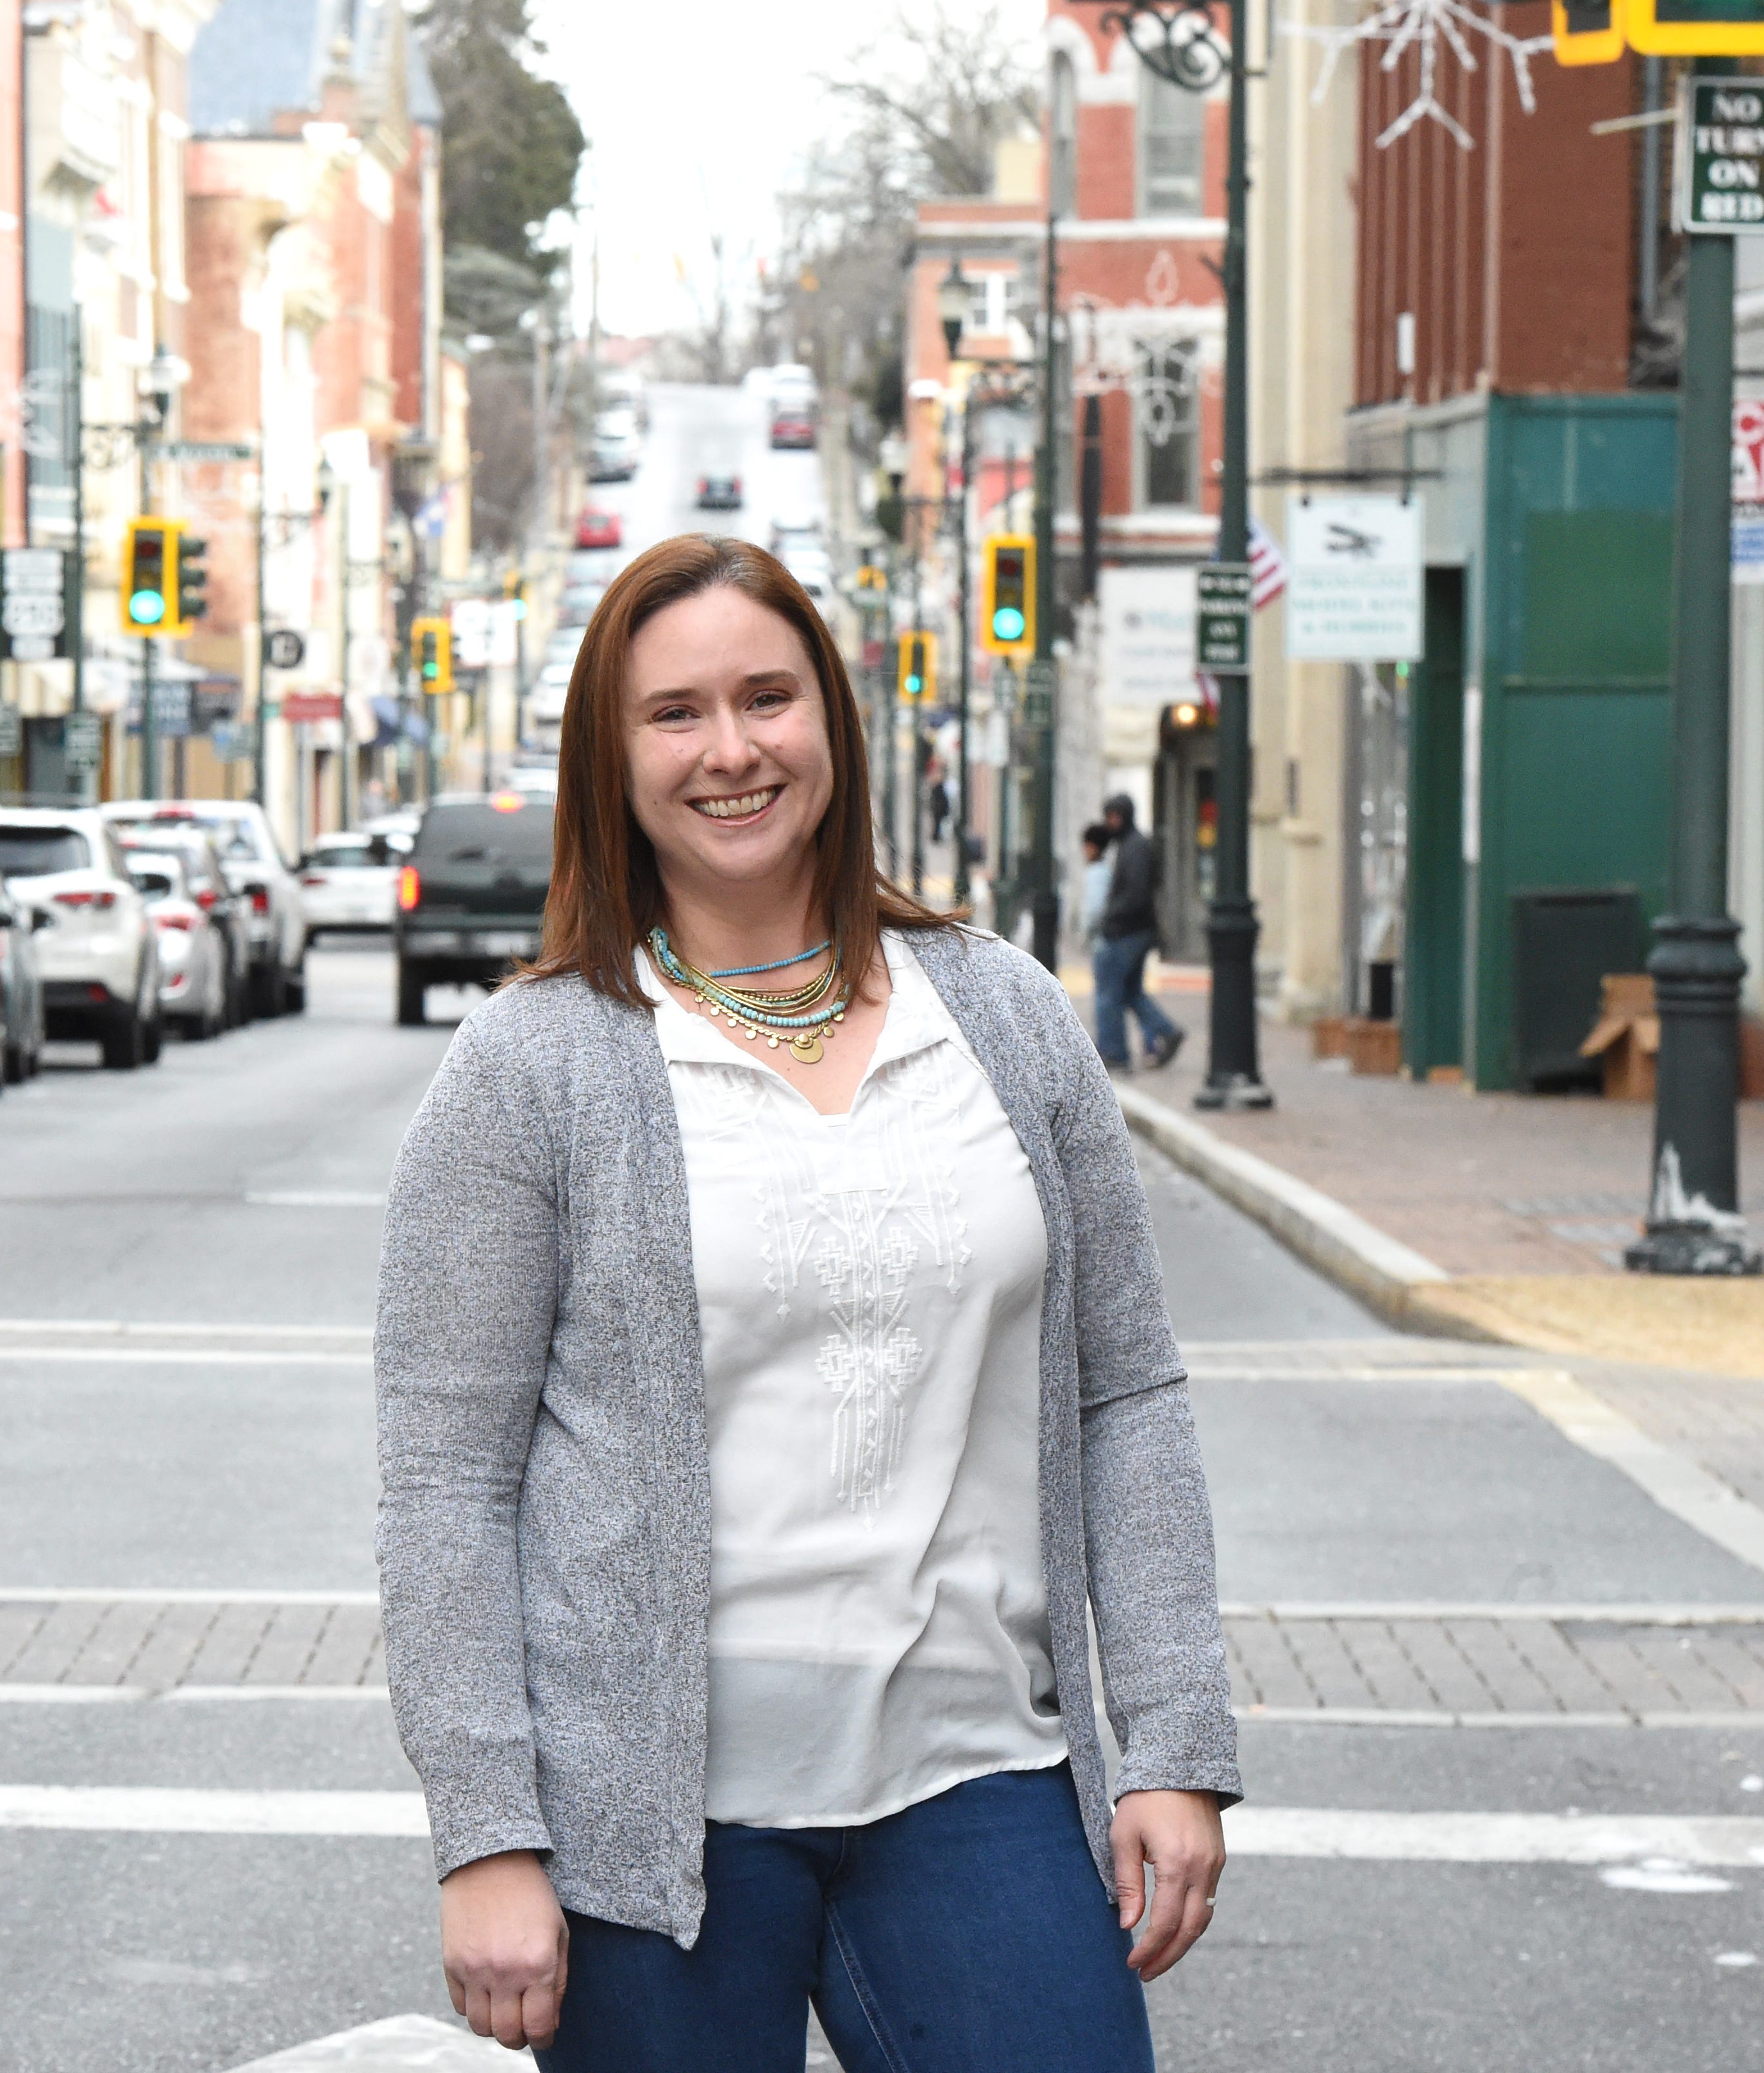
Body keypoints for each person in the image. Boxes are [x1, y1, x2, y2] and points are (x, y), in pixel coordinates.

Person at [376, 534, 1238, 2070]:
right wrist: (486, 1834)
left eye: (767, 697)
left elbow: (1127, 1391)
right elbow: (446, 1478)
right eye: (675, 713)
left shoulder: (1004, 1016)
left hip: (978, 1778)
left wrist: (1169, 1739)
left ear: (830, 722)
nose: (730, 749)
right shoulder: (531, 1068)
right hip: (652, 1826)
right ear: (612, 754)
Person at [1091, 793, 1184, 1072]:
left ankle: (1114, 1051)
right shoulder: (1130, 846)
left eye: (1114, 817)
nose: (1111, 824)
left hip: (1127, 933)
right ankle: (1165, 1031)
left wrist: (1110, 919)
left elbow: (1136, 895)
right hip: (1133, 931)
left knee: (1109, 992)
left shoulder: (1136, 848)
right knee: (1131, 991)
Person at [1079, 820, 1115, 957]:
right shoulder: (1106, 871)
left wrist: (1085, 933)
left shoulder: (1095, 874)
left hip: (1100, 940)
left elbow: (1093, 909)